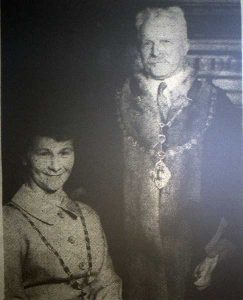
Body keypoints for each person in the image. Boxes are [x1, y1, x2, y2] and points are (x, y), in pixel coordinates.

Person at [117, 6, 242, 300]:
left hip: (196, 260)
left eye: (166, 42)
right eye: (148, 43)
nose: (155, 51)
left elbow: (235, 187)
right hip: (127, 263)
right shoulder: (115, 101)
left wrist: (220, 251)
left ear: (185, 47)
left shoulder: (216, 103)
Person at [3, 120, 122, 300]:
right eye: (44, 154)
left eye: (64, 152)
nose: (56, 166)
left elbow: (107, 283)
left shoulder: (88, 215)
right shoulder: (8, 221)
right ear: (25, 158)